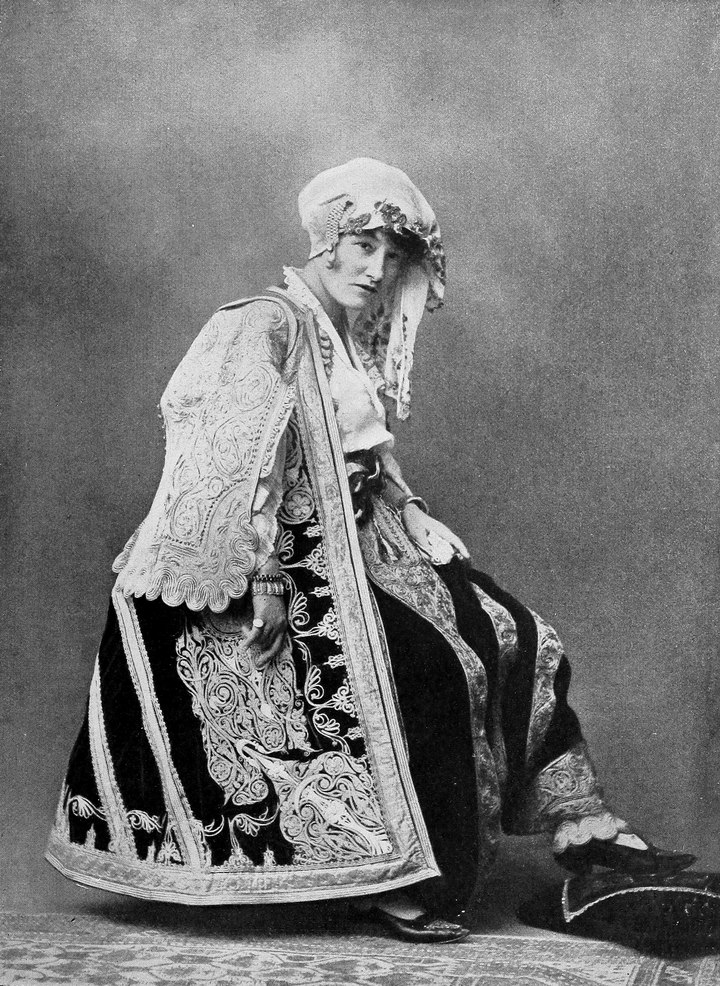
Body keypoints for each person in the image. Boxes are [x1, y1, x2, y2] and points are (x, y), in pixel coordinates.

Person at [46, 158, 694, 943]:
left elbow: (366, 447)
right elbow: (221, 454)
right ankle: (403, 874)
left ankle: (584, 832)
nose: (378, 270)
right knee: (433, 663)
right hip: (280, 556)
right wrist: (262, 577)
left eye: (393, 256)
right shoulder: (263, 323)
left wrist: (411, 511)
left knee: (517, 630)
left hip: (362, 539)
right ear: (325, 241)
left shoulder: (345, 338)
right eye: (364, 247)